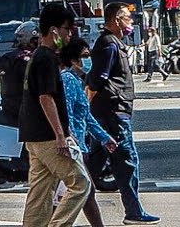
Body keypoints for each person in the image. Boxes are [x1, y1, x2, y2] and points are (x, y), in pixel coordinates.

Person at [88, 4, 159, 224]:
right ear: (117, 20)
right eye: (128, 19)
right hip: (113, 113)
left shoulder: (114, 44)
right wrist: (87, 105)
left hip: (111, 112)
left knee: (94, 163)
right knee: (126, 160)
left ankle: (62, 197)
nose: (131, 23)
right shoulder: (109, 45)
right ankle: (133, 212)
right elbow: (97, 79)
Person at [22, 2, 90, 227]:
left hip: (34, 136)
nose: (69, 34)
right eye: (66, 28)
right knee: (81, 183)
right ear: (53, 30)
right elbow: (46, 98)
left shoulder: (37, 57)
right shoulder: (47, 58)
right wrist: (61, 135)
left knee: (40, 192)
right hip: (49, 137)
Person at [62, 38, 120, 227]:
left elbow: (86, 117)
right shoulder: (68, 80)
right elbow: (68, 115)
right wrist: (72, 143)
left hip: (79, 146)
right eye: (85, 56)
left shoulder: (77, 81)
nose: (89, 61)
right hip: (73, 146)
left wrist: (104, 138)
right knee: (83, 190)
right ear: (73, 60)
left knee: (80, 192)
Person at [0, 21, 41, 121]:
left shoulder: (8, 58)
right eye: (36, 40)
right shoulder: (27, 60)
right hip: (26, 111)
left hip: (10, 108)